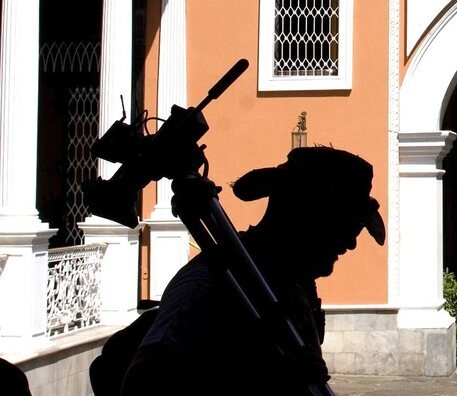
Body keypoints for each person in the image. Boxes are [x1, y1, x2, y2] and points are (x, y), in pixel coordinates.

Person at [108, 146, 385, 396]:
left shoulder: (292, 285)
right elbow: (143, 384)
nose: (350, 243)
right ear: (304, 217)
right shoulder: (211, 283)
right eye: (342, 225)